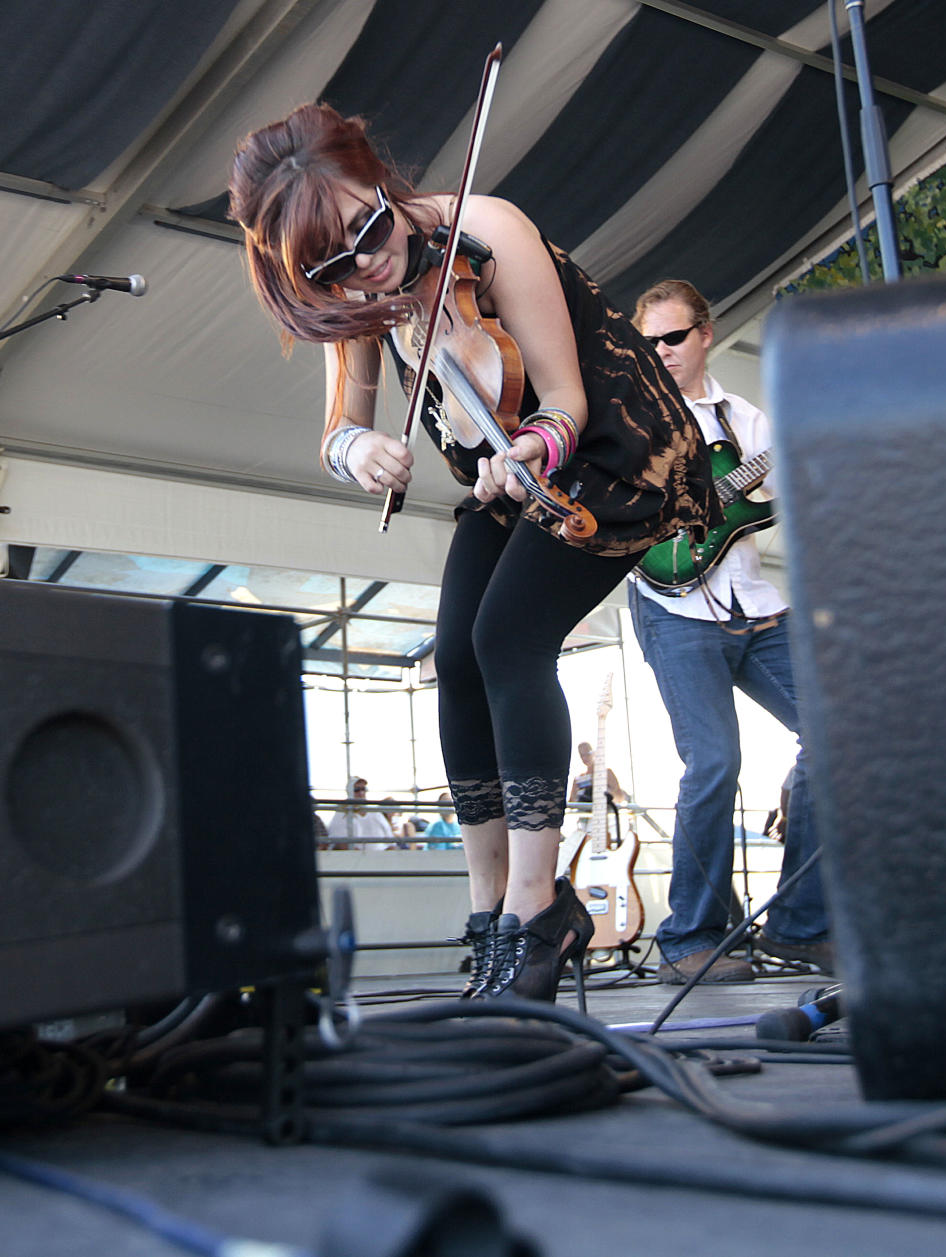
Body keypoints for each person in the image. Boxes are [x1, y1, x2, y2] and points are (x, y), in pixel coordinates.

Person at [228, 103, 721, 1003]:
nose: (363, 262)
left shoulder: (488, 230)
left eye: (367, 228)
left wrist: (530, 448)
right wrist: (357, 451)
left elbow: (566, 400)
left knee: (508, 641)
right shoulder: (363, 300)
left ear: (380, 175)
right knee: (451, 655)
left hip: (613, 451)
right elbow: (339, 428)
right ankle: (489, 902)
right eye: (332, 262)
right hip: (508, 478)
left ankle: (540, 912)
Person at [628, 278, 832, 985]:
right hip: (673, 606)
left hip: (755, 604)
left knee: (842, 734)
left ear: (706, 334)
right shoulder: (628, 418)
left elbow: (787, 498)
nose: (660, 352)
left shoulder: (750, 420)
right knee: (714, 762)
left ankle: (801, 924)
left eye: (673, 338)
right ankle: (689, 936)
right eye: (648, 341)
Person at [325, 775, 394, 849]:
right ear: (349, 791)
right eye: (356, 790)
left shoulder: (375, 812)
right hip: (354, 857)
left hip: (382, 857)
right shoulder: (341, 813)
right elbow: (338, 842)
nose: (361, 793)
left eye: (363, 789)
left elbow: (390, 841)